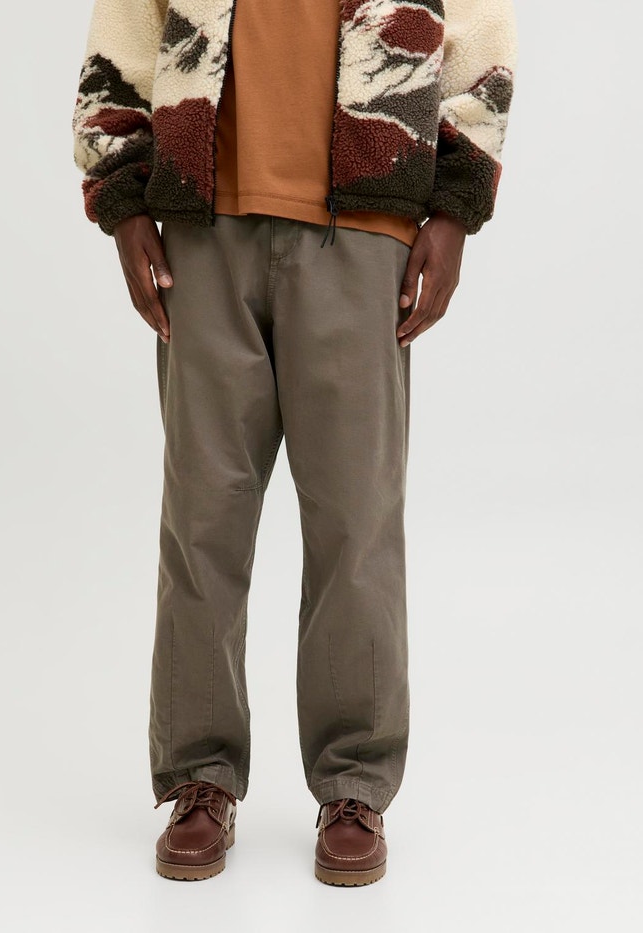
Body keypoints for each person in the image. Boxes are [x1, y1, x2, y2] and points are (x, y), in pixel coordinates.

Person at [71, 0, 518, 886]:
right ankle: (198, 776)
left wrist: (454, 211)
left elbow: (481, 35)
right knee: (202, 516)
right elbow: (123, 31)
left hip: (365, 228)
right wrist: (122, 201)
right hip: (201, 228)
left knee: (357, 522)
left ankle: (354, 785)